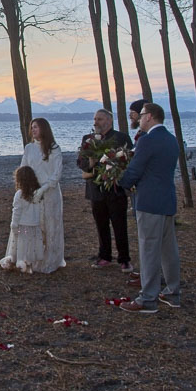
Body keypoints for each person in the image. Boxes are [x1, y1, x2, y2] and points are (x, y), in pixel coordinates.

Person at [117, 102, 181, 313]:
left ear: (150, 117)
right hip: (167, 200)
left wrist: (121, 182)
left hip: (149, 202)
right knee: (168, 250)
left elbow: (135, 170)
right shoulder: (172, 140)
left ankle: (148, 299)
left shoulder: (147, 140)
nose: (139, 118)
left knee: (149, 250)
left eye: (141, 115)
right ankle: (173, 292)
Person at [77, 109, 134, 272]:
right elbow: (80, 162)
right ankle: (104, 256)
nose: (96, 122)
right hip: (96, 189)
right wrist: (90, 162)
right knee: (101, 225)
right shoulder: (87, 139)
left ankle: (124, 259)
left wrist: (114, 166)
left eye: (100, 119)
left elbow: (129, 160)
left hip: (115, 189)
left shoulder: (121, 138)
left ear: (109, 120)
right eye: (95, 119)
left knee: (120, 225)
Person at [20, 117, 65, 273]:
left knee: (51, 225)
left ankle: (51, 259)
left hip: (50, 193)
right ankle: (34, 258)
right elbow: (23, 168)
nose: (33, 130)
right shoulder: (29, 148)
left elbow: (57, 173)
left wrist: (44, 188)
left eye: (36, 127)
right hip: (33, 192)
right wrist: (28, 188)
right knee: (36, 225)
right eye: (32, 127)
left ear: (44, 129)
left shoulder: (54, 148)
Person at [0, 166, 44, 274]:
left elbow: (16, 211)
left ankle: (22, 262)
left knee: (21, 245)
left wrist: (13, 225)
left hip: (22, 226)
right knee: (31, 245)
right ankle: (28, 263)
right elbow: (41, 210)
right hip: (34, 225)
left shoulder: (19, 194)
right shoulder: (38, 193)